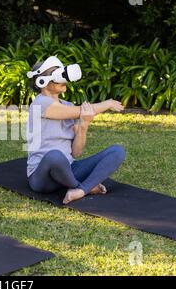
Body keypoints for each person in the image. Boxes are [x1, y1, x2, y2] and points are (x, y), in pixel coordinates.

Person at [26, 56, 126, 204]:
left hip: (68, 169)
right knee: (54, 156)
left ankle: (80, 190)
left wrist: (84, 125)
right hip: (42, 177)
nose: (64, 79)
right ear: (42, 82)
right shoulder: (39, 104)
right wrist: (107, 103)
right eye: (57, 75)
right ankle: (84, 186)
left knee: (117, 151)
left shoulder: (68, 105)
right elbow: (80, 110)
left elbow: (76, 153)